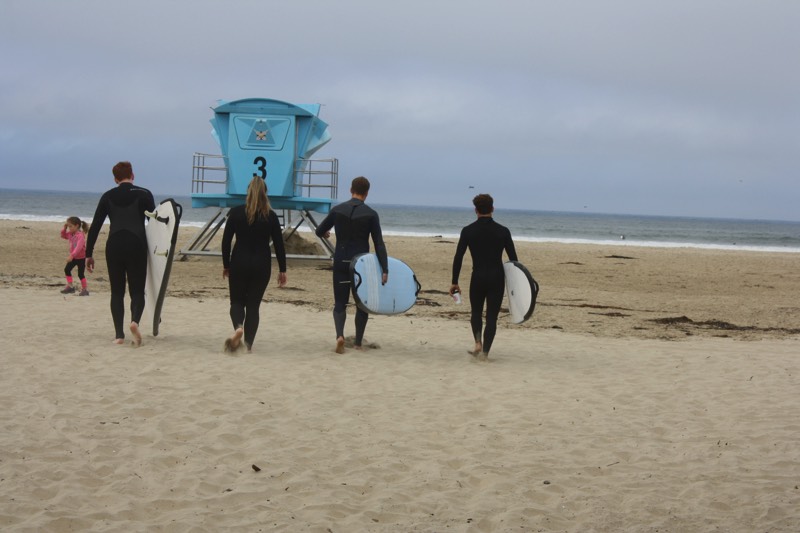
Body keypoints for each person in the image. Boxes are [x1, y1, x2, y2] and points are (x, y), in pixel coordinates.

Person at [315, 176, 388, 354]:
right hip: (360, 264)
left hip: (340, 260)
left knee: (340, 302)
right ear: (367, 193)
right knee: (362, 303)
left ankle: (339, 336)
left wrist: (325, 234)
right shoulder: (371, 214)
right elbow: (379, 243)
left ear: (350, 190)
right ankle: (357, 343)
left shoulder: (338, 210)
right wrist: (384, 268)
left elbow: (319, 230)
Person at [85, 161, 155, 346]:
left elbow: (95, 226)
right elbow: (156, 224)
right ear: (133, 175)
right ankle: (134, 322)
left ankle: (119, 335)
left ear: (115, 179)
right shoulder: (144, 194)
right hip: (137, 245)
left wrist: (88, 253)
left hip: (114, 245)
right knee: (137, 290)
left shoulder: (107, 196)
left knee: (117, 292)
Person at [221, 175, 287, 353]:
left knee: (236, 301)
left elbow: (226, 242)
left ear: (247, 192)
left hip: (239, 262)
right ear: (265, 194)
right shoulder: (271, 216)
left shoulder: (235, 212)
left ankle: (238, 328)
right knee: (253, 306)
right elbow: (280, 245)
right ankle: (248, 346)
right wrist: (283, 270)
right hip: (261, 263)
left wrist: (226, 265)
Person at [450, 193, 518, 361]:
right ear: (492, 209)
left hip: (478, 276)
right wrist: (516, 284)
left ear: (475, 210)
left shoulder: (468, 231)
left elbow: (458, 257)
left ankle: (477, 343)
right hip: (496, 278)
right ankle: (486, 352)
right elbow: (514, 260)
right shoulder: (503, 231)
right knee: (491, 317)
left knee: (476, 312)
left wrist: (454, 281)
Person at [60, 216, 91, 296]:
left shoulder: (80, 235)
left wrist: (71, 255)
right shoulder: (70, 234)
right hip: (74, 257)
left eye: (71, 226)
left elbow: (78, 247)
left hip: (81, 258)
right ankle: (70, 287)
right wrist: (64, 228)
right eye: (68, 226)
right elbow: (63, 236)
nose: (69, 228)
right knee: (67, 269)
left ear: (77, 226)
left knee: (80, 274)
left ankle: (85, 290)